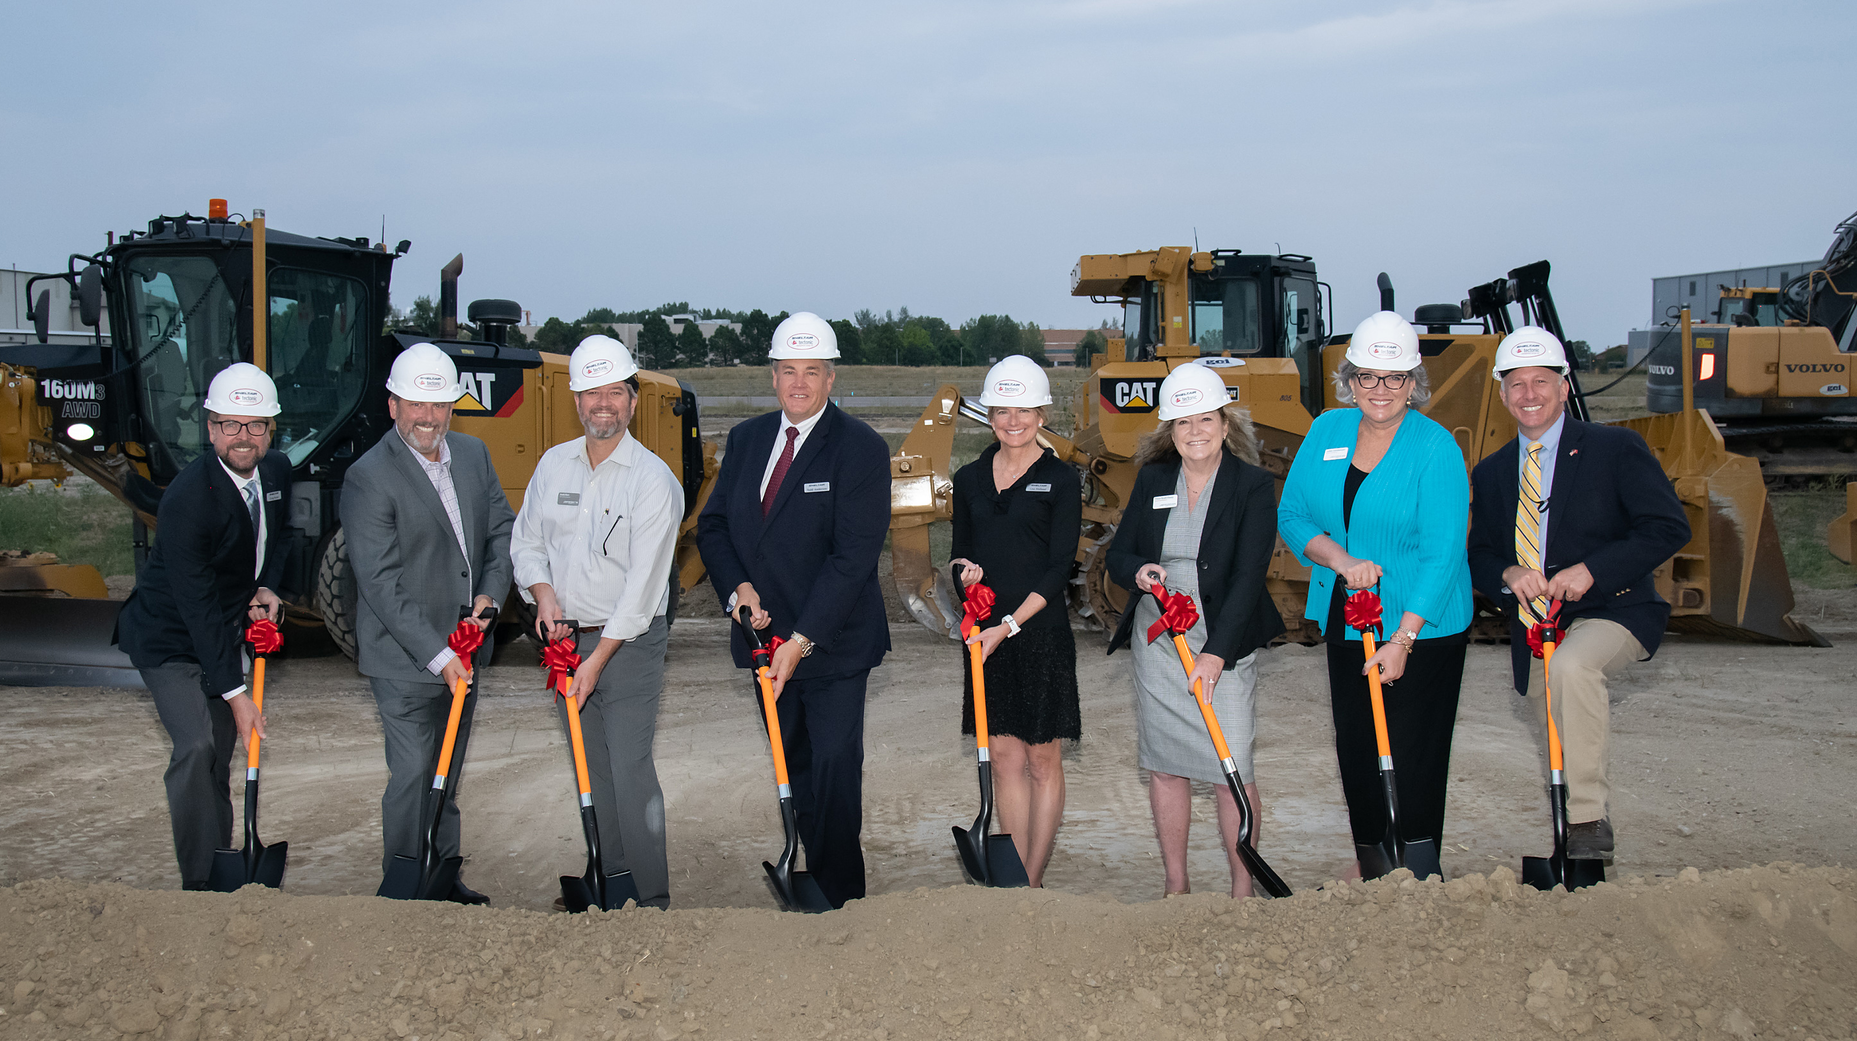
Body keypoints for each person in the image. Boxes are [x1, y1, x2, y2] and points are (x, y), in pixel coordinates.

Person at [1468, 326, 1690, 862]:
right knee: (1555, 717)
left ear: (1564, 387)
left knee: (1571, 670)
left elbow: (1666, 527)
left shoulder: (1615, 449)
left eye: (1540, 382)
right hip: (1537, 621)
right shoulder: (1494, 472)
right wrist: (1508, 574)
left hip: (1616, 608)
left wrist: (1593, 569)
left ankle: (1588, 819)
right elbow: (1478, 553)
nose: (1529, 395)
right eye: (1516, 384)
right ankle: (1572, 844)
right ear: (1502, 394)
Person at [696, 312, 891, 909]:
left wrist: (801, 639)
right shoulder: (749, 439)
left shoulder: (860, 448)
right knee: (795, 762)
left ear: (831, 379)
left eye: (812, 372)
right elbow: (716, 526)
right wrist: (738, 592)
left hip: (830, 642)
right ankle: (813, 874)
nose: (799, 383)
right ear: (773, 377)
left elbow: (851, 558)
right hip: (763, 638)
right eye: (788, 371)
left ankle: (841, 891)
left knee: (833, 765)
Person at [1277, 311, 1472, 879]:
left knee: (1413, 746)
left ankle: (1416, 862)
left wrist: (1404, 639)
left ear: (1413, 382)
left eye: (1394, 378)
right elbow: (1291, 514)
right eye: (1367, 376)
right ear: (1350, 379)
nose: (1380, 390)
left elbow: (1443, 554)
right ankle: (1373, 862)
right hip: (1346, 613)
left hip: (1423, 622)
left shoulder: (1435, 449)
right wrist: (1339, 560)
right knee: (1359, 743)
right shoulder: (1326, 432)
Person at [511, 334, 684, 909]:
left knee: (629, 767)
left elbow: (642, 589)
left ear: (632, 402)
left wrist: (598, 659)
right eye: (591, 393)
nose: (602, 403)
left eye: (614, 392)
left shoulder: (654, 481)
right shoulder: (552, 465)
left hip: (627, 644)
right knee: (591, 769)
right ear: (576, 400)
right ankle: (612, 883)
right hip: (565, 640)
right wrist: (543, 596)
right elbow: (527, 543)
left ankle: (652, 899)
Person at [340, 342, 515, 905]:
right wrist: (441, 657)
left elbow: (501, 535)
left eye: (439, 405)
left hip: (468, 647)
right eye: (416, 404)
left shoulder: (473, 454)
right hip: (407, 658)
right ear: (393, 406)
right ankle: (402, 882)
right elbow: (380, 583)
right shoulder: (369, 477)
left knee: (449, 770)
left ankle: (442, 876)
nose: (428, 417)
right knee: (415, 771)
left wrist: (490, 596)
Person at [1106, 362, 1285, 898]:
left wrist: (1216, 656)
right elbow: (1119, 555)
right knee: (1165, 766)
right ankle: (1176, 886)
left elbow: (1252, 576)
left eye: (1205, 419)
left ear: (1226, 425)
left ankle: (1241, 889)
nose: (1195, 431)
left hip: (1221, 639)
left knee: (1232, 767)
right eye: (1183, 422)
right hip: (1159, 641)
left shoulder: (1252, 486)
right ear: (1171, 431)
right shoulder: (1154, 479)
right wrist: (1139, 570)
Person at [115, 362, 290, 889]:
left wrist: (268, 586)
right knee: (195, 748)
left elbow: (282, 536)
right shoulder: (189, 499)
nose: (243, 437)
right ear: (211, 428)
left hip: (221, 626)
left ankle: (223, 863)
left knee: (218, 760)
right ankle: (199, 884)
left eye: (255, 425)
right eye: (231, 425)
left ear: (270, 431)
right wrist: (237, 695)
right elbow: (196, 608)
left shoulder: (278, 471)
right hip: (170, 638)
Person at [948, 356, 1082, 888]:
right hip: (984, 636)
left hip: (1036, 632)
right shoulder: (969, 478)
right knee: (1003, 754)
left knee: (1042, 757)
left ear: (1042, 412)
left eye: (1024, 409)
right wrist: (965, 576)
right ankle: (1014, 876)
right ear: (989, 414)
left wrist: (1009, 625)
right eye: (1002, 410)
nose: (1013, 420)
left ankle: (1031, 876)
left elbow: (1058, 569)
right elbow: (959, 552)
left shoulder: (1060, 479)